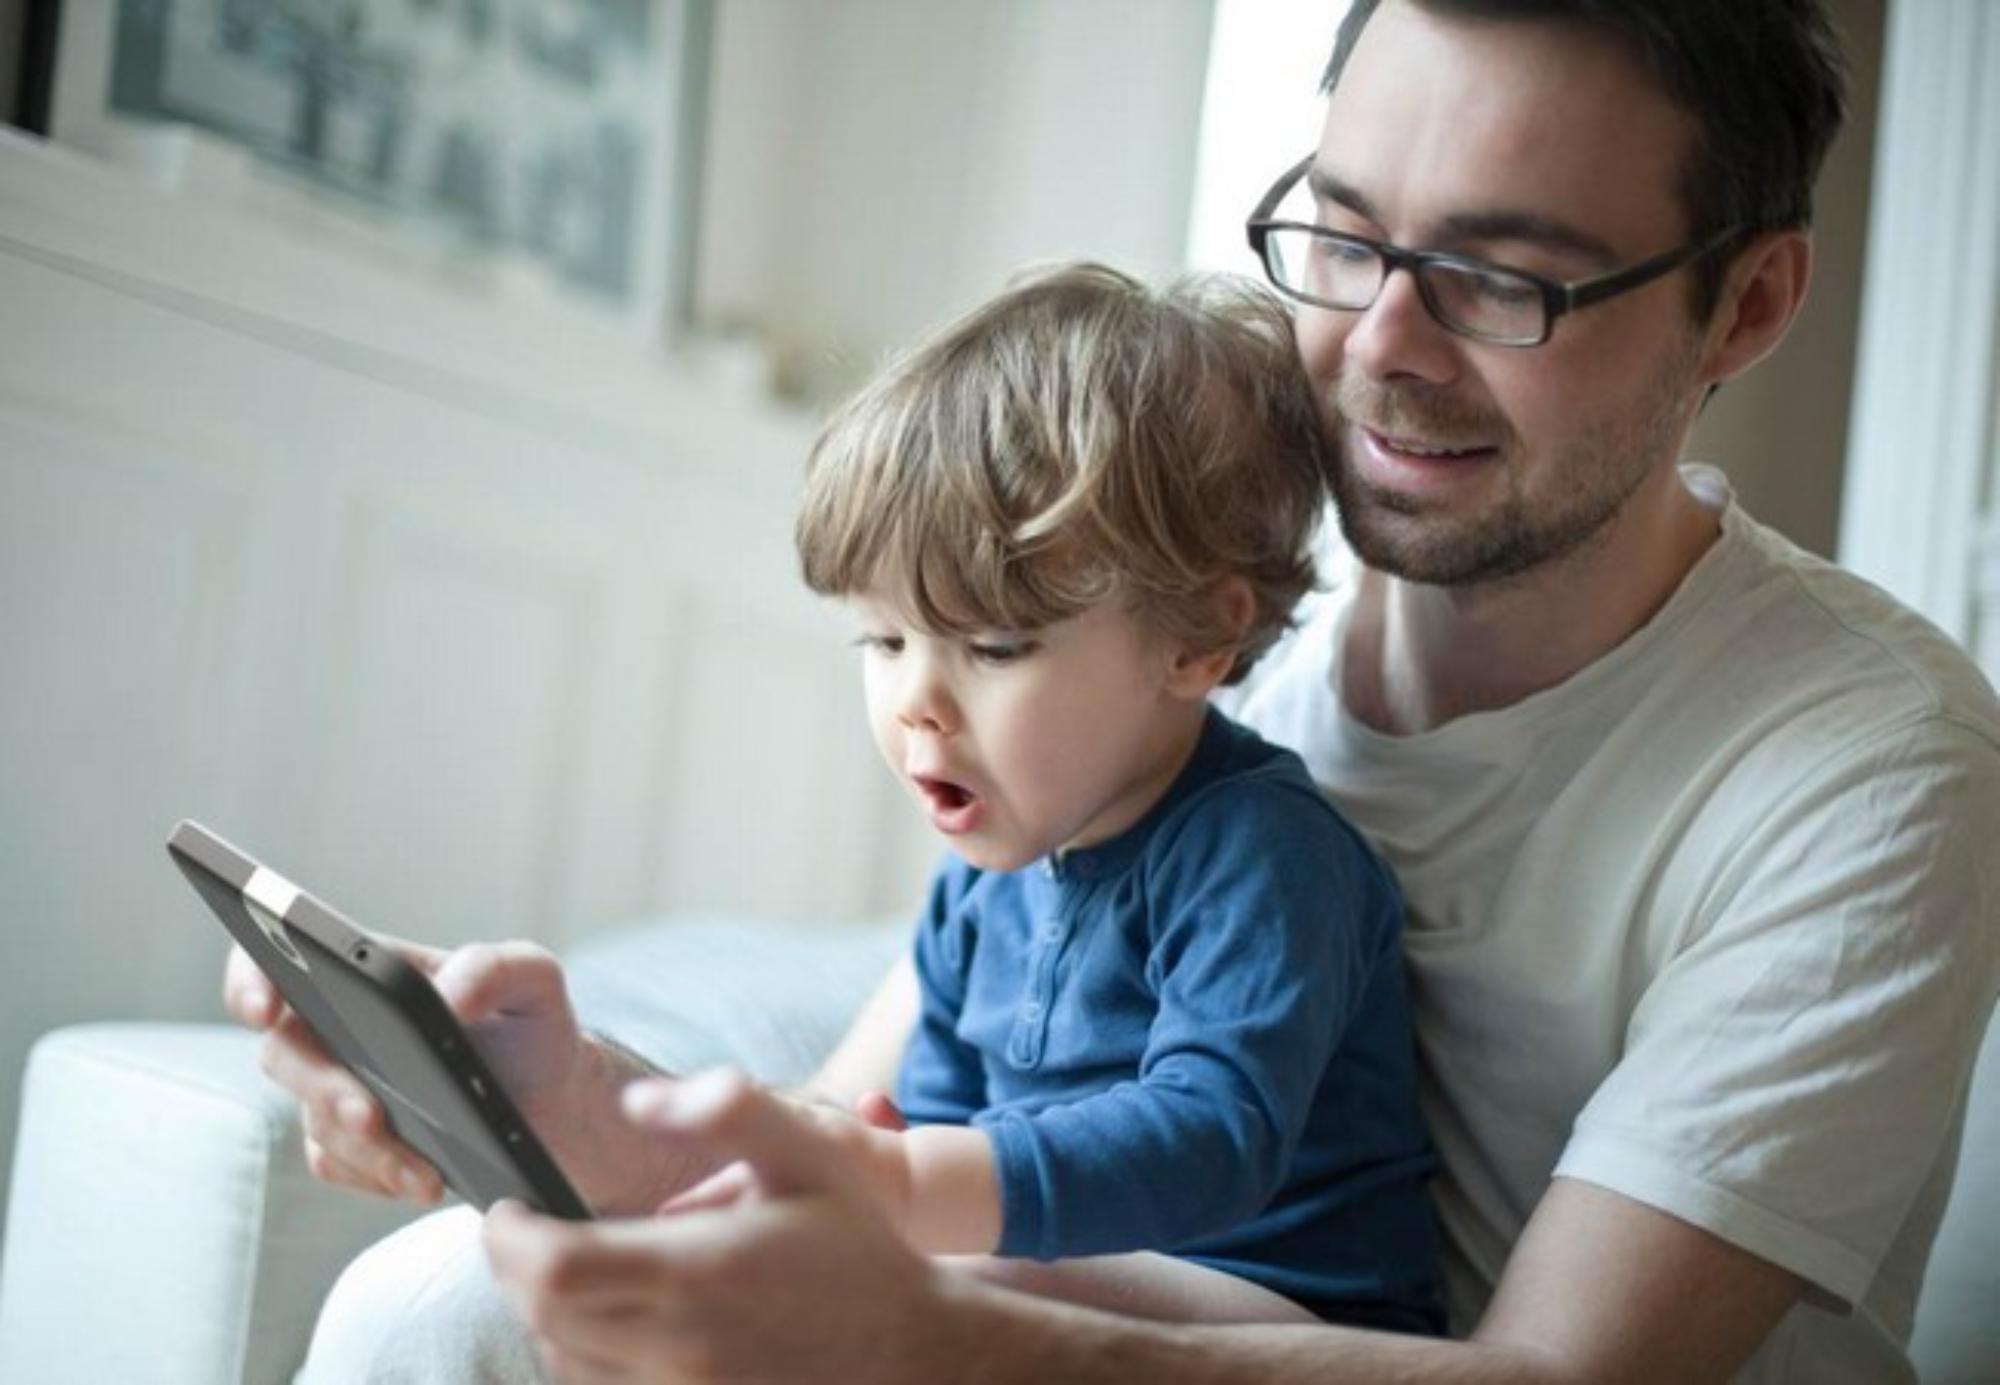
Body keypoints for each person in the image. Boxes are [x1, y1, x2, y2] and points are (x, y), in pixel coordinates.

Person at [231, 1, 2000, 1381]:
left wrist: (923, 1332)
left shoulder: (1866, 769)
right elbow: (866, 1118)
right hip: (1087, 1310)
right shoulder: (1174, 625)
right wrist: (547, 1104)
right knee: (450, 1294)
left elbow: (1560, 1377)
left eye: (1502, 278)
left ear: (1750, 304)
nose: (1380, 346)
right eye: (1346, 232)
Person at [764, 262, 1440, 1332]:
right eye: (885, 639)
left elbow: (1209, 1138)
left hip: (1288, 1313)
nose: (914, 703)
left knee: (932, 1292)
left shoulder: (1260, 853)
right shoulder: (982, 885)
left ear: (1195, 638)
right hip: (1077, 1281)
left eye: (993, 645)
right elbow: (936, 1119)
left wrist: (904, 1190)